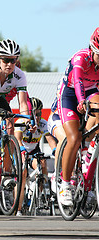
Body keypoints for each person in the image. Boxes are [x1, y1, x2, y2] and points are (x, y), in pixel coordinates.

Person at [57, 27, 99, 206]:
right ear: (92, 49)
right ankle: (64, 184)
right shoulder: (80, 58)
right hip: (70, 93)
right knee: (74, 138)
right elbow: (78, 81)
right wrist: (81, 102)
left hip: (92, 91)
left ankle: (90, 151)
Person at [14, 97, 57, 216]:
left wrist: (55, 150)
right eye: (34, 114)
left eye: (39, 114)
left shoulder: (43, 123)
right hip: (20, 149)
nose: (36, 117)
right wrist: (21, 151)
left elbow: (50, 140)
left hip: (33, 151)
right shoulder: (22, 122)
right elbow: (17, 138)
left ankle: (35, 194)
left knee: (43, 165)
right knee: (22, 174)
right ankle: (17, 208)